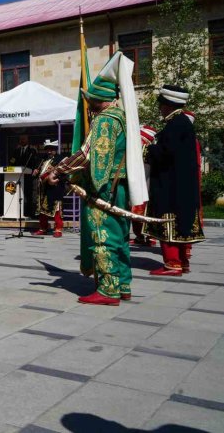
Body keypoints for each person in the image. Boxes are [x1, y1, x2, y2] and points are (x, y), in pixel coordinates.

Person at [45, 75, 133, 305]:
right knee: (121, 236)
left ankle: (108, 290)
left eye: (91, 100)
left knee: (103, 236)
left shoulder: (105, 120)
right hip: (120, 185)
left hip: (104, 187)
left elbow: (86, 154)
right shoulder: (123, 117)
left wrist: (58, 170)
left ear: (99, 100)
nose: (88, 105)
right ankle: (123, 284)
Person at [144, 85, 205, 276]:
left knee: (169, 221)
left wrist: (148, 149)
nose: (160, 108)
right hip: (181, 187)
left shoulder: (175, 124)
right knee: (182, 222)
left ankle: (172, 263)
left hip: (171, 187)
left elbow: (165, 153)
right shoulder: (182, 123)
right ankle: (182, 261)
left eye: (161, 105)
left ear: (169, 105)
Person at [130, 126, 157, 246]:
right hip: (147, 186)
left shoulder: (144, 149)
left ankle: (147, 237)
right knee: (141, 212)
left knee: (140, 212)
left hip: (144, 186)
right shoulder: (150, 149)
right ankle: (143, 237)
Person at [33, 140, 65, 237]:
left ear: (55, 150)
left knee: (56, 209)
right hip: (43, 189)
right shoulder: (43, 159)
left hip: (55, 188)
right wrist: (35, 172)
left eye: (51, 150)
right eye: (48, 150)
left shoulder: (60, 159)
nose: (49, 152)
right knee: (42, 209)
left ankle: (58, 230)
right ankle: (43, 228)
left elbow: (63, 174)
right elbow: (39, 172)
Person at [10, 134, 38, 217]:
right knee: (18, 194)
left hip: (29, 176)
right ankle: (18, 212)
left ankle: (30, 213)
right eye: (20, 139)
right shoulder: (16, 150)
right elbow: (12, 160)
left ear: (27, 140)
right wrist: (10, 166)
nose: (22, 140)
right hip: (18, 176)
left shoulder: (32, 150)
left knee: (29, 195)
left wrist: (35, 169)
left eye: (23, 139)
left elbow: (36, 162)